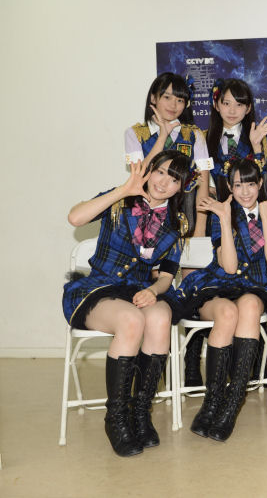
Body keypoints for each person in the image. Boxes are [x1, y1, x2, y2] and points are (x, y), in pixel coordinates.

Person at [62, 150, 191, 457]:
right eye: (161, 172)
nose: (164, 182)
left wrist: (155, 291)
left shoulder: (177, 223)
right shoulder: (120, 200)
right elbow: (75, 218)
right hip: (99, 288)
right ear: (150, 170)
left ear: (181, 187)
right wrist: (123, 189)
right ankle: (116, 418)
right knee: (132, 320)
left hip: (140, 290)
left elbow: (166, 275)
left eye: (174, 179)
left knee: (160, 317)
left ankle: (140, 412)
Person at [173, 159, 267, 441]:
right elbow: (230, 267)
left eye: (250, 184)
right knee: (226, 313)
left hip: (256, 286)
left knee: (249, 304)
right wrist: (223, 218)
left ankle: (232, 405)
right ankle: (212, 403)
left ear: (260, 184)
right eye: (238, 185)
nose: (245, 192)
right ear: (230, 188)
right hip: (220, 283)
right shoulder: (223, 213)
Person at [124, 72, 213, 236]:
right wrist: (162, 136)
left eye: (180, 100)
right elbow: (139, 175)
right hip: (146, 211)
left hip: (186, 214)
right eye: (167, 97)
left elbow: (203, 184)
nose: (173, 105)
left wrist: (199, 229)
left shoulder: (194, 135)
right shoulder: (136, 134)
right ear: (153, 98)